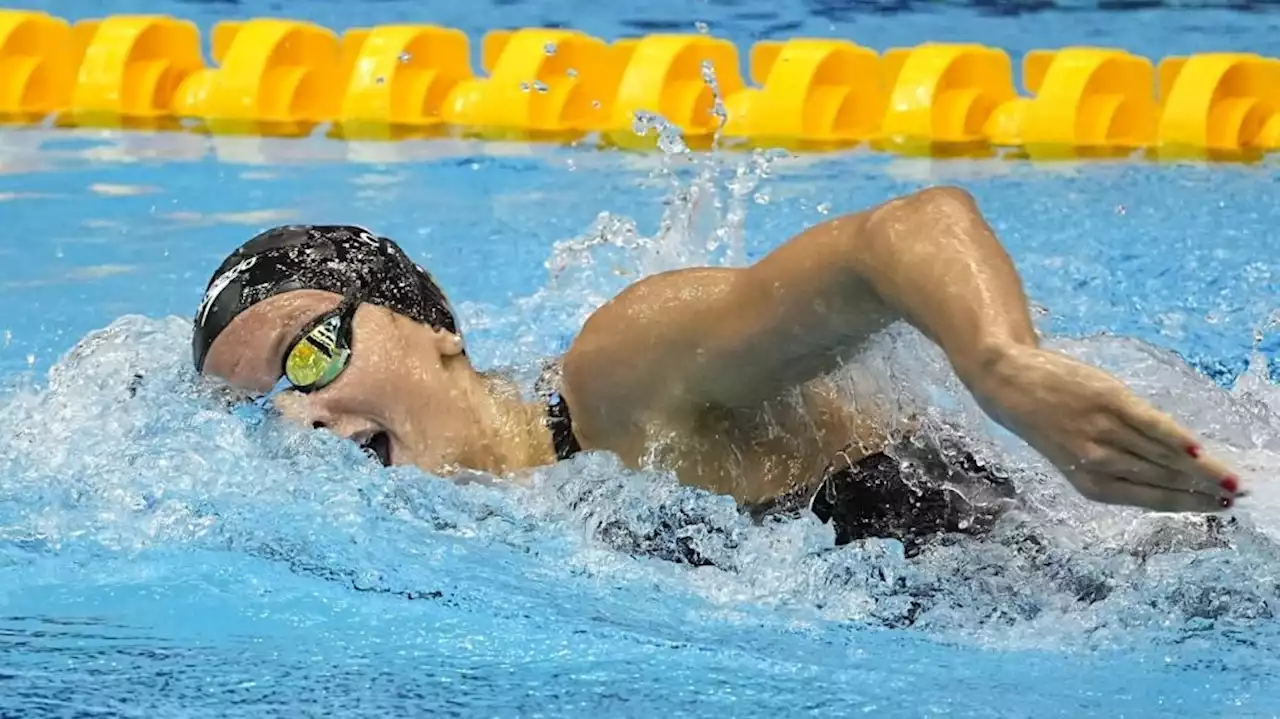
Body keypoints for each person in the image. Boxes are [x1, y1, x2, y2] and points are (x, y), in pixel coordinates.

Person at [191, 186, 1245, 554]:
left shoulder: (623, 380)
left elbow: (903, 234)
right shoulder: (531, 515)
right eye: (263, 406)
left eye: (312, 349)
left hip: (1178, 549)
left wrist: (1004, 367)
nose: (304, 414)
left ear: (438, 329)